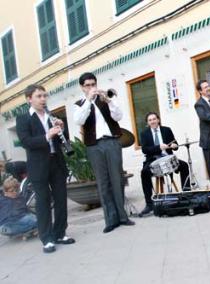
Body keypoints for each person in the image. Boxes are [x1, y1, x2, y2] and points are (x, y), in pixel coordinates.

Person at [16, 84, 75, 253]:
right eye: (39, 96)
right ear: (29, 99)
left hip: (56, 161)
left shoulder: (51, 116)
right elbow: (26, 142)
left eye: (44, 96)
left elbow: (60, 139)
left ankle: (60, 233)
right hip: (38, 165)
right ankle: (47, 239)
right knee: (42, 203)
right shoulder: (23, 119)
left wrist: (61, 129)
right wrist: (47, 135)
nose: (43, 99)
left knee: (61, 199)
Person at [74, 72, 134, 234]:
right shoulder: (80, 104)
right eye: (88, 85)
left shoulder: (105, 100)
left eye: (93, 84)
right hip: (94, 146)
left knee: (117, 179)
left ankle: (123, 217)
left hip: (112, 142)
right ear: (82, 87)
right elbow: (79, 120)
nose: (92, 87)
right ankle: (110, 220)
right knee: (103, 182)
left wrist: (110, 102)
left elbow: (118, 116)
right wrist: (88, 100)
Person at [138, 112, 190, 216]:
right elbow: (144, 150)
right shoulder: (144, 133)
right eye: (150, 120)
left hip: (168, 158)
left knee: (184, 165)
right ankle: (149, 204)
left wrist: (175, 146)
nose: (152, 121)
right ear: (148, 123)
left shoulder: (166, 130)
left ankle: (186, 194)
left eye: (154, 119)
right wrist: (158, 148)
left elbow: (175, 144)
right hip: (153, 160)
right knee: (144, 172)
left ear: (158, 120)